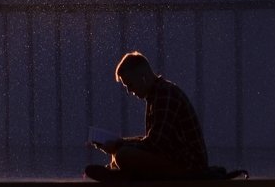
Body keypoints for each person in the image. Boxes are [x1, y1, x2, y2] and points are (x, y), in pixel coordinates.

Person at [85, 51, 208, 179]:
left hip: (189, 167)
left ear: (142, 77)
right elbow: (153, 140)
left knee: (123, 155)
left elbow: (155, 144)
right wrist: (119, 143)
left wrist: (118, 145)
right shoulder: (158, 95)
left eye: (130, 85)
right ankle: (121, 172)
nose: (129, 91)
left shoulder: (164, 95)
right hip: (180, 160)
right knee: (122, 152)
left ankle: (122, 174)